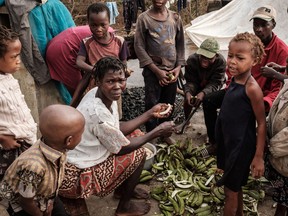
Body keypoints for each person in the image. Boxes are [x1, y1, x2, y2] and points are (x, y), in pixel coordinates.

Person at [59, 56, 175, 216]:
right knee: (139, 153)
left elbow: (116, 128)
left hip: (88, 148)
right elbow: (120, 148)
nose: (118, 86)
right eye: (111, 81)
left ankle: (123, 190)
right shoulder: (97, 113)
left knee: (136, 133)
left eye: (121, 80)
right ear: (98, 81)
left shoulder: (98, 93)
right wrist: (157, 132)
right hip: (81, 167)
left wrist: (150, 113)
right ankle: (124, 207)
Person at [203, 5, 288, 153]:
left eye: (264, 25)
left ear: (273, 25)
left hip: (260, 96)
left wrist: (263, 102)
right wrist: (231, 87)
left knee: (241, 116)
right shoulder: (248, 43)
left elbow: (277, 89)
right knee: (209, 101)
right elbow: (232, 69)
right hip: (239, 88)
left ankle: (247, 149)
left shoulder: (282, 50)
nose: (259, 29)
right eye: (256, 24)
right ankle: (215, 142)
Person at [0, 104, 85, 216]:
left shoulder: (55, 146)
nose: (82, 137)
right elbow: (25, 201)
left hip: (45, 196)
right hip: (23, 206)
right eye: (81, 134)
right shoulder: (34, 167)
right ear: (69, 140)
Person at [215, 32, 266, 216]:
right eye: (230, 56)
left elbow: (261, 124)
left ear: (255, 61)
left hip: (241, 147)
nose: (232, 61)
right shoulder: (235, 80)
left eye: (240, 57)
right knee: (236, 187)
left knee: (230, 192)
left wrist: (259, 157)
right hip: (230, 144)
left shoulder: (252, 89)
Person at [134, 0, 185, 143]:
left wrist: (178, 67)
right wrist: (156, 71)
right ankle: (151, 136)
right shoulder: (144, 19)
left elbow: (180, 44)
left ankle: (165, 134)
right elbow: (139, 46)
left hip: (172, 72)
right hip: (153, 71)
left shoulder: (175, 17)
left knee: (169, 104)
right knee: (152, 104)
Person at [71, 2, 129, 108]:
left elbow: (123, 63)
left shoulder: (119, 41)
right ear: (88, 23)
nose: (99, 29)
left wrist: (124, 73)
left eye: (103, 25)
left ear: (109, 21)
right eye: (94, 25)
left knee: (113, 112)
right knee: (96, 111)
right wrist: (96, 70)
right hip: (95, 86)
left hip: (114, 85)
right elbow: (79, 62)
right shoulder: (87, 43)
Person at [0, 25, 37, 181]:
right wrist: (1, 138)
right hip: (7, 150)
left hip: (26, 145)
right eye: (14, 56)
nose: (18, 61)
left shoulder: (8, 77)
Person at [176, 38, 226, 132]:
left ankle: (212, 130)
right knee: (188, 99)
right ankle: (187, 122)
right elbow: (190, 81)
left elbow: (216, 83)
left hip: (213, 85)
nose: (204, 60)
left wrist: (203, 93)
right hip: (196, 83)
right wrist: (188, 92)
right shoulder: (192, 60)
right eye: (202, 56)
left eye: (209, 58)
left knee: (209, 101)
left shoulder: (221, 62)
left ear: (216, 55)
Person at [261, 59, 288, 216]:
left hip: (283, 155)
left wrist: (271, 146)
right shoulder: (286, 87)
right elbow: (275, 113)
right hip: (280, 161)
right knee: (281, 196)